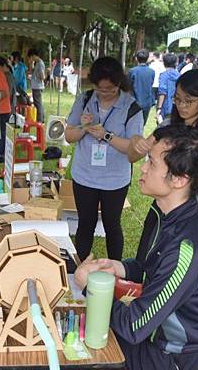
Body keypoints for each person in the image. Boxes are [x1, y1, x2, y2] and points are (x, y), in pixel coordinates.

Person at [74, 124, 198, 370]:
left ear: (179, 179)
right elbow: (148, 268)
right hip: (153, 337)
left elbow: (134, 327)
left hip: (174, 355)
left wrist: (91, 288)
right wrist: (120, 267)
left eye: (151, 163)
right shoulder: (160, 210)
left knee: (84, 355)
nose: (142, 168)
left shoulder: (186, 248)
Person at [64, 57, 144, 261]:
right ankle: (78, 269)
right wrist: (83, 127)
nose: (105, 93)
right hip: (84, 176)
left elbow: (133, 148)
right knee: (85, 223)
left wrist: (105, 135)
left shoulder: (131, 107)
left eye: (110, 89)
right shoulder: (84, 99)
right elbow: (68, 136)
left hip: (115, 179)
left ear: (119, 84)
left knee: (112, 224)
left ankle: (116, 269)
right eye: (100, 89)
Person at [129, 69, 198, 174]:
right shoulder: (167, 124)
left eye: (188, 101)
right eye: (177, 99)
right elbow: (132, 157)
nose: (181, 105)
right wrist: (135, 142)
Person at [128, 49, 155, 125]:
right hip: (147, 101)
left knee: (133, 123)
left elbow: (128, 86)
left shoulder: (132, 71)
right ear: (147, 58)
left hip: (134, 101)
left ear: (137, 58)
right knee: (143, 123)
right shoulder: (152, 71)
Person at [156, 53, 180, 123]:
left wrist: (159, 108)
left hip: (166, 106)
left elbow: (162, 92)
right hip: (177, 106)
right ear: (176, 63)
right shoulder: (180, 75)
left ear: (164, 63)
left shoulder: (163, 75)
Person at [27, 48, 46, 122]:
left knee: (38, 104)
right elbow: (32, 71)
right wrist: (31, 64)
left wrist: (36, 76)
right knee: (37, 103)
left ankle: (40, 120)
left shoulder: (40, 64)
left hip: (38, 87)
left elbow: (42, 76)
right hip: (35, 86)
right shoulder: (37, 63)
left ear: (33, 56)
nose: (31, 59)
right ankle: (41, 119)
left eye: (31, 57)